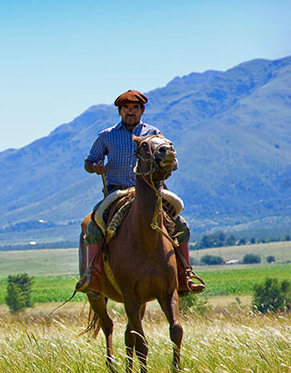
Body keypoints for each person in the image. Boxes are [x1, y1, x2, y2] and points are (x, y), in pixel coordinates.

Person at [76, 90, 205, 295]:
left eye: (134, 108)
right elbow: (89, 162)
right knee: (93, 227)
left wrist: (168, 164)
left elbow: (173, 161)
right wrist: (95, 166)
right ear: (119, 111)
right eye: (126, 108)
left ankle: (184, 275)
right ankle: (94, 275)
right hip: (117, 192)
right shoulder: (106, 136)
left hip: (151, 192)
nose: (130, 112)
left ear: (142, 110)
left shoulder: (154, 134)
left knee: (182, 226)